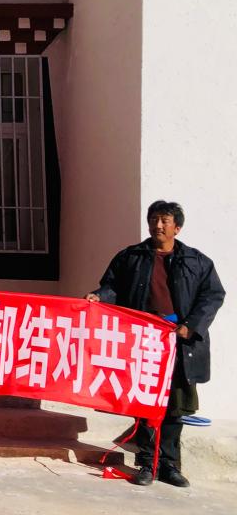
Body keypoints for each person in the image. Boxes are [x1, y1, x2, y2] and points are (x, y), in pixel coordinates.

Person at [86, 201, 225, 487]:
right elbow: (113, 286)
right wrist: (100, 296)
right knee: (145, 403)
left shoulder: (197, 261)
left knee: (174, 406)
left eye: (164, 220)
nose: (157, 225)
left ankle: (169, 466)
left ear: (177, 227)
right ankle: (147, 463)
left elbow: (213, 295)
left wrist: (191, 326)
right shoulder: (131, 257)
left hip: (178, 343)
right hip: (143, 340)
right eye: (153, 220)